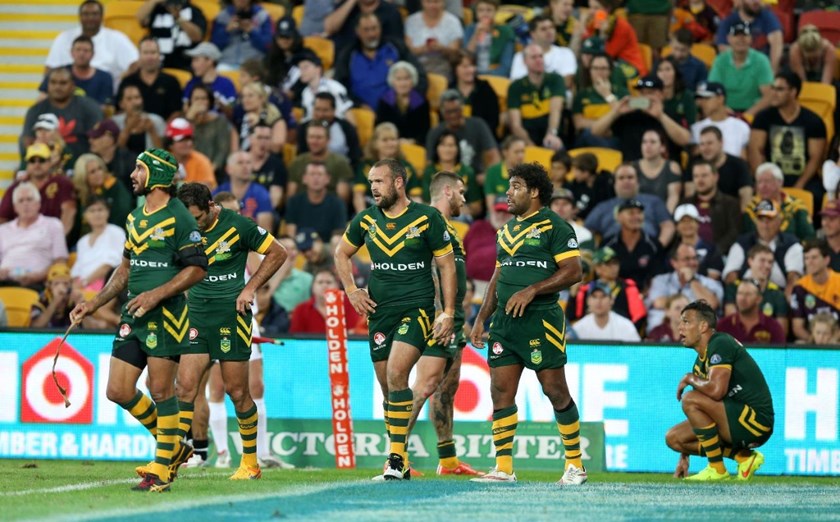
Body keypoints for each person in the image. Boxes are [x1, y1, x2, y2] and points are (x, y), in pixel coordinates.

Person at [69, 148, 208, 491]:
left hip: (166, 316)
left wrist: (157, 294)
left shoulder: (180, 218)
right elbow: (126, 268)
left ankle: (161, 471)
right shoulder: (135, 217)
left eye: (139, 168)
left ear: (158, 176)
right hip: (134, 313)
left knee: (161, 390)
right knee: (117, 390)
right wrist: (94, 301)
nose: (132, 174)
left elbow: (197, 268)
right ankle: (174, 445)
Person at [335, 158, 456, 480]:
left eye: (379, 181)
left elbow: (446, 265)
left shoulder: (427, 218)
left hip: (415, 309)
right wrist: (351, 290)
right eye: (371, 181)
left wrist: (447, 312)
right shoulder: (366, 220)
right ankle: (399, 458)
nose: (373, 188)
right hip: (379, 312)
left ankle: (396, 461)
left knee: (396, 372)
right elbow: (340, 253)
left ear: (399, 183)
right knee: (390, 391)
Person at [469, 162, 585, 485]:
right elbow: (497, 276)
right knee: (500, 391)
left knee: (555, 390)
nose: (508, 191)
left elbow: (575, 272)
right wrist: (481, 319)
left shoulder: (555, 227)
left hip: (540, 320)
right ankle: (504, 468)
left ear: (534, 192)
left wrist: (533, 289)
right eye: (509, 186)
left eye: (516, 186)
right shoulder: (504, 232)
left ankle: (575, 465)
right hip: (505, 324)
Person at [174, 181, 286, 479]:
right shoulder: (182, 226)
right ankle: (170, 458)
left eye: (197, 217)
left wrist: (250, 288)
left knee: (237, 391)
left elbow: (278, 252)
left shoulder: (238, 225)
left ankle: (249, 462)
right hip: (196, 317)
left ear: (211, 207)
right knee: (184, 388)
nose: (192, 224)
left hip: (230, 318)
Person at [402, 171, 482, 476]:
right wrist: (441, 314)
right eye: (461, 192)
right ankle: (395, 457)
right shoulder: (429, 222)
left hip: (453, 317)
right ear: (447, 191)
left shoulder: (451, 228)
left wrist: (455, 317)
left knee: (447, 390)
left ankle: (448, 462)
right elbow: (432, 272)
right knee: (424, 386)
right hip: (438, 318)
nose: (464, 198)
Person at [666, 300, 773, 481]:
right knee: (674, 438)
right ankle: (743, 457)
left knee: (689, 399)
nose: (680, 327)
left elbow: (717, 391)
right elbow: (699, 415)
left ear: (703, 326)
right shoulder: (699, 364)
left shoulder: (720, 342)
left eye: (686, 321)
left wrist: (688, 378)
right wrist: (684, 456)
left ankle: (717, 469)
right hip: (734, 421)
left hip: (756, 422)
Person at [748, 72, 827, 195]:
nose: (773, 93)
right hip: (771, 177)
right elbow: (755, 150)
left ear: (793, 92)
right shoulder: (762, 118)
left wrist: (799, 186)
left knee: (816, 195)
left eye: (779, 89)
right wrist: (763, 181)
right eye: (773, 88)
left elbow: (815, 159)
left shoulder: (813, 121)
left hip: (804, 179)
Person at [334, 13, 426, 111]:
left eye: (374, 28)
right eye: (366, 30)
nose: (371, 34)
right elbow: (339, 87)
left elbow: (420, 77)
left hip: (396, 112)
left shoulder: (397, 48)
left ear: (380, 28)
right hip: (362, 113)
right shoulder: (348, 55)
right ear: (357, 31)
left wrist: (408, 101)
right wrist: (358, 104)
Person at [590, 74, 691, 162]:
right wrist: (616, 112)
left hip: (664, 173)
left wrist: (661, 116)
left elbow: (684, 139)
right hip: (632, 173)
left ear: (661, 94)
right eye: (642, 93)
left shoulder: (671, 113)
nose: (645, 96)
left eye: (650, 92)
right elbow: (595, 131)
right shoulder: (630, 116)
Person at [45, 0, 138, 87]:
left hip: (105, 93)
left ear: (102, 17)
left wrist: (120, 84)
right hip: (69, 95)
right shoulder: (63, 38)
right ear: (80, 16)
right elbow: (50, 68)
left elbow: (136, 63)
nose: (90, 18)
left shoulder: (117, 38)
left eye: (94, 14)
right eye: (86, 14)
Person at [585, 163, 675, 248]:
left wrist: (658, 247)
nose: (626, 181)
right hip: (612, 256)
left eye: (630, 177)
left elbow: (668, 225)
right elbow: (586, 231)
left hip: (647, 251)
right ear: (614, 183)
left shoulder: (654, 202)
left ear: (638, 181)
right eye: (621, 178)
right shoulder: (602, 207)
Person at [21, 68, 103, 161]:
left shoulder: (89, 107)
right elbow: (26, 140)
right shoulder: (36, 110)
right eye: (53, 82)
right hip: (45, 165)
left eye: (63, 83)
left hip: (82, 165)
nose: (57, 87)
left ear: (72, 85)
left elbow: (99, 141)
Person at [723, 199, 803, 294]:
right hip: (746, 295)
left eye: (770, 220)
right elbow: (730, 276)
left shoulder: (791, 244)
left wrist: (784, 304)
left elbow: (793, 279)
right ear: (755, 221)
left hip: (778, 295)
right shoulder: (742, 243)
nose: (765, 225)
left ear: (780, 221)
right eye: (761, 220)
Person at [0, 182, 68, 289]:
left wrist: (40, 276)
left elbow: (60, 261)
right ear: (15, 207)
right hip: (4, 281)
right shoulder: (3, 230)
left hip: (38, 282)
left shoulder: (53, 225)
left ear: (38, 204)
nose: (25, 204)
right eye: (21, 201)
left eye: (29, 199)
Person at [0, 143, 77, 236]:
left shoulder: (62, 183)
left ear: (49, 162)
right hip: (21, 240)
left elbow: (69, 212)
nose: (37, 164)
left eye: (41, 160)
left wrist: (59, 238)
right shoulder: (15, 187)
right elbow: (3, 218)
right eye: (32, 161)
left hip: (52, 237)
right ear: (27, 164)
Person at [646, 244, 723, 331]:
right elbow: (658, 302)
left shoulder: (709, 283)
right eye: (686, 259)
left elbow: (711, 305)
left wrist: (692, 280)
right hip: (663, 336)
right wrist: (693, 304)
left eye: (694, 258)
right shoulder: (660, 280)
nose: (692, 263)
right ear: (674, 263)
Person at [425, 90, 501, 179]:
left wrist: (488, 177)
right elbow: (430, 164)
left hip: (475, 178)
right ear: (442, 113)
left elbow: (493, 156)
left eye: (456, 110)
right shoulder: (435, 133)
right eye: (449, 112)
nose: (453, 115)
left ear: (462, 108)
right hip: (446, 181)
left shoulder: (478, 125)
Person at [508, 44, 566, 151]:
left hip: (551, 134)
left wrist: (551, 134)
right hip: (527, 138)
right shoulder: (516, 87)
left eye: (541, 56)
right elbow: (516, 125)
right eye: (534, 57)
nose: (539, 60)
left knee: (557, 145)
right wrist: (531, 146)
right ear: (525, 61)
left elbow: (556, 111)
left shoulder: (555, 80)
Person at [707, 22, 773, 117]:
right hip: (725, 112)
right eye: (736, 36)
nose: (741, 39)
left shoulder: (761, 60)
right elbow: (713, 92)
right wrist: (727, 112)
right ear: (729, 39)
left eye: (745, 36)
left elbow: (768, 95)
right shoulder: (720, 60)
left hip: (754, 113)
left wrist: (747, 116)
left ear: (751, 39)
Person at [353, 122, 421, 213]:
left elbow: (415, 197)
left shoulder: (406, 168)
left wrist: (417, 217)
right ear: (375, 143)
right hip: (372, 215)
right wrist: (362, 218)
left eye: (393, 139)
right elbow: (358, 196)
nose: (390, 143)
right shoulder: (366, 166)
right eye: (385, 140)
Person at [601, 198, 667, 291]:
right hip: (613, 295)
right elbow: (601, 275)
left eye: (639, 213)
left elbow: (659, 277)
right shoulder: (608, 245)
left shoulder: (654, 245)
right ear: (619, 217)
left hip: (646, 298)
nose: (636, 217)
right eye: (631, 213)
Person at [722, 244, 789, 336]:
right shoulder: (734, 287)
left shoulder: (777, 293)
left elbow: (781, 331)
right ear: (750, 261)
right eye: (762, 261)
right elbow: (731, 322)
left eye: (770, 262)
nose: (767, 266)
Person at [742, 162, 815, 242]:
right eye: (759, 182)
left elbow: (809, 237)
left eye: (767, 181)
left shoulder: (796, 206)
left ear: (780, 182)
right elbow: (745, 238)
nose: (763, 186)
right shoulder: (751, 208)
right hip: (758, 251)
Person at [681, 159, 742, 254]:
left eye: (704, 175)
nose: (700, 180)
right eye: (696, 176)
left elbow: (733, 233)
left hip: (719, 255)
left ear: (716, 177)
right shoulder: (685, 204)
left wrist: (713, 253)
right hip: (688, 255)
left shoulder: (730, 203)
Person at [685, 126, 753, 209]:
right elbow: (689, 196)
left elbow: (746, 198)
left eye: (709, 143)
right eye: (702, 144)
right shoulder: (693, 163)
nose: (705, 148)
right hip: (701, 214)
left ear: (721, 142)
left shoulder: (738, 165)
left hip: (730, 214)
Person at [38, 35, 114, 109]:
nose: (81, 54)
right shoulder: (57, 74)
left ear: (93, 54)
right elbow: (41, 99)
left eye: (86, 51)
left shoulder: (105, 78)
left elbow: (105, 107)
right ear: (71, 52)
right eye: (78, 50)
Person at [287, 121, 354, 203]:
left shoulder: (340, 163)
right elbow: (291, 195)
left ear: (328, 140)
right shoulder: (298, 162)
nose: (314, 141)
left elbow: (343, 197)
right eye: (311, 137)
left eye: (319, 137)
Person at [70, 195, 126, 293]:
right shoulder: (82, 241)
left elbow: (110, 265)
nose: (97, 214)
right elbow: (77, 269)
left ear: (107, 212)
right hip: (82, 285)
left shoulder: (115, 232)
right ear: (85, 215)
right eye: (92, 210)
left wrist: (85, 283)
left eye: (100, 210)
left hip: (107, 283)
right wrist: (76, 287)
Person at [571, 53, 628, 148]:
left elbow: (623, 117)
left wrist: (607, 95)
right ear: (590, 71)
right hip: (589, 137)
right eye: (595, 68)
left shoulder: (621, 93)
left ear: (610, 71)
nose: (599, 72)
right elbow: (579, 123)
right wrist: (604, 126)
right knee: (588, 135)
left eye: (603, 68)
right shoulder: (582, 95)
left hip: (615, 137)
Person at [119, 37, 184, 121]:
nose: (150, 57)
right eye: (145, 53)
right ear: (139, 55)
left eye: (153, 52)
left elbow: (177, 112)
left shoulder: (171, 82)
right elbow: (120, 110)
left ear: (159, 55)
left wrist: (164, 130)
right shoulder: (127, 81)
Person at [421, 131, 482, 217]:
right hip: (435, 216)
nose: (447, 149)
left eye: (451, 145)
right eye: (443, 145)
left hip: (461, 215)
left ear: (458, 149)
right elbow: (426, 202)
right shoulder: (429, 172)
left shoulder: (468, 172)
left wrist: (459, 210)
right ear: (436, 148)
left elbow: (477, 207)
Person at [790, 240, 840, 343]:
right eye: (806, 258)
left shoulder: (838, 282)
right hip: (813, 341)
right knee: (799, 344)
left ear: (826, 260)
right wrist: (815, 342)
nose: (809, 262)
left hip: (837, 341)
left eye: (814, 257)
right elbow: (797, 327)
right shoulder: (800, 287)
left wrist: (833, 340)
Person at [297, 92, 362, 170]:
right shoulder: (304, 128)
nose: (320, 114)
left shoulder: (346, 128)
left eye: (325, 110)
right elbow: (301, 154)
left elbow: (355, 155)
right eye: (317, 109)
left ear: (334, 110)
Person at [285, 161, 348, 241]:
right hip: (299, 247)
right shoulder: (294, 202)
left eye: (320, 174)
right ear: (304, 178)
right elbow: (291, 234)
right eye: (312, 174)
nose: (316, 178)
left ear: (327, 179)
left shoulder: (337, 204)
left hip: (327, 248)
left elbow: (338, 237)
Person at [137, 0, 207, 71]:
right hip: (157, 62)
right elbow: (141, 19)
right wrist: (154, 1)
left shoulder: (193, 11)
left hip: (185, 63)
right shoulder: (156, 10)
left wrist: (178, 18)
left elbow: (197, 37)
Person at [714, 0, 782, 73]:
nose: (756, 1)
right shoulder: (728, 21)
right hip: (737, 72)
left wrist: (771, 74)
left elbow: (776, 43)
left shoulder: (767, 16)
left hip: (764, 70)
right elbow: (724, 49)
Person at [72, 153, 134, 232]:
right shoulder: (80, 194)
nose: (99, 173)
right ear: (83, 176)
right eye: (92, 172)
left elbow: (123, 213)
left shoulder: (114, 186)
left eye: (100, 168)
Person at [214, 151, 273, 232]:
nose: (245, 166)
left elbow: (266, 230)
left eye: (248, 163)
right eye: (240, 163)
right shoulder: (217, 193)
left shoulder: (261, 193)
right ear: (228, 169)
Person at [375, 61, 431, 145]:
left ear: (413, 80)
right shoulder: (384, 101)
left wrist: (413, 141)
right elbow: (379, 128)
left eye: (406, 78)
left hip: (415, 145)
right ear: (392, 81)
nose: (403, 83)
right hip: (389, 144)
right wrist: (395, 141)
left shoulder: (422, 102)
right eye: (399, 79)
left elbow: (425, 131)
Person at [510, 15, 577, 86]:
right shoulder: (520, 57)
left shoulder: (566, 53)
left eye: (551, 27)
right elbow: (518, 84)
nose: (549, 31)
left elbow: (567, 82)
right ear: (533, 34)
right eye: (543, 29)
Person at [404, 0, 464, 80]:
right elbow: (408, 51)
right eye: (428, 2)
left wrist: (442, 49)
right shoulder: (411, 21)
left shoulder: (453, 21)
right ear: (422, 2)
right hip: (417, 65)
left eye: (436, 2)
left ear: (443, 2)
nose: (432, 6)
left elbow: (455, 54)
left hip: (443, 65)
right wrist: (423, 49)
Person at [186, 84, 235, 177]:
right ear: (190, 101)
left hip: (213, 172)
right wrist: (190, 119)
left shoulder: (220, 121)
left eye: (204, 98)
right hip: (188, 171)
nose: (200, 102)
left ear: (210, 101)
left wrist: (208, 171)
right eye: (196, 98)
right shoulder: (184, 121)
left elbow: (222, 151)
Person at [290, 268, 360, 333]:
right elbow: (295, 338)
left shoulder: (350, 306)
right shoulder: (300, 310)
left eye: (328, 282)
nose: (324, 285)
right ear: (312, 287)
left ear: (337, 286)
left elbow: (354, 332)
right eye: (320, 282)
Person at [691, 83, 751, 159]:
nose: (702, 103)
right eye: (700, 99)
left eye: (707, 98)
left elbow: (744, 159)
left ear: (720, 98)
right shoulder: (696, 128)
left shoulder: (741, 126)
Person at [450, 50, 501, 139]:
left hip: (483, 138)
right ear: (455, 69)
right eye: (465, 67)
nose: (471, 70)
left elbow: (493, 120)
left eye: (472, 66)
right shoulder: (450, 91)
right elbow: (444, 121)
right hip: (455, 140)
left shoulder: (485, 89)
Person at [716, 278, 785, 344]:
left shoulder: (773, 327)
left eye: (748, 294)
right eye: (740, 293)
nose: (742, 298)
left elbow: (780, 354)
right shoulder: (723, 326)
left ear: (759, 299)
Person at [210, 0, 273, 69]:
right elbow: (214, 47)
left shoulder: (262, 15)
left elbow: (268, 46)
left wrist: (252, 31)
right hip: (226, 62)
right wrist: (227, 30)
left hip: (254, 64)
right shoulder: (223, 16)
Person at [670, 203, 724, 280]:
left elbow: (714, 276)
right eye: (683, 221)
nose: (687, 224)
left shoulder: (712, 249)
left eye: (690, 220)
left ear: (698, 223)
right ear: (676, 226)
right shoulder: (673, 251)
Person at [325, 0, 405, 52]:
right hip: (347, 61)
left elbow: (398, 45)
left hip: (381, 60)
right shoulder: (345, 7)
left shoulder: (390, 11)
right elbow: (330, 28)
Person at [573, 281, 641, 341]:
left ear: (611, 300)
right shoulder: (579, 328)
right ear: (588, 301)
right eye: (594, 296)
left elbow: (636, 352)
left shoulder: (626, 326)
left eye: (603, 296)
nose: (598, 301)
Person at [462, 0, 515, 77]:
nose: (485, 14)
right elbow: (466, 58)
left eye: (489, 10)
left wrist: (488, 77)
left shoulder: (506, 32)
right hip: (473, 75)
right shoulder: (470, 30)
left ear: (495, 12)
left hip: (496, 76)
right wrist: (476, 34)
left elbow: (506, 65)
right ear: (476, 13)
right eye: (481, 10)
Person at [634, 129, 682, 213]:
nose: (647, 146)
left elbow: (673, 198)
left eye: (652, 142)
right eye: (644, 142)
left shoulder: (672, 167)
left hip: (662, 216)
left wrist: (664, 220)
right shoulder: (632, 168)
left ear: (662, 147)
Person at [183, 43, 238, 116]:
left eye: (196, 60)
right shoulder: (191, 84)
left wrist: (216, 102)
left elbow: (233, 113)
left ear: (210, 61)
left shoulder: (226, 84)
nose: (192, 64)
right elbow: (185, 109)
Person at [165, 118, 218, 190]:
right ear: (170, 144)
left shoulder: (201, 160)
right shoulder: (164, 161)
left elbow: (209, 187)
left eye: (190, 139)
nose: (189, 143)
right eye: (182, 140)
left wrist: (179, 184)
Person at [112, 88, 166, 156]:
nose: (135, 102)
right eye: (129, 99)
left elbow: (163, 152)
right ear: (121, 104)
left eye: (137, 97)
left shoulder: (157, 120)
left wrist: (152, 131)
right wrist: (128, 128)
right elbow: (116, 153)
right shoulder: (115, 122)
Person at [564, 153, 614, 221]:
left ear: (586, 172)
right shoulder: (575, 184)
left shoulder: (605, 184)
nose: (574, 173)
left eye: (576, 170)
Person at [30, 262, 80, 329]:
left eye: (65, 284)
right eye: (56, 284)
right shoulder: (40, 301)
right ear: (49, 285)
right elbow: (35, 328)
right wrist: (55, 302)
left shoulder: (75, 301)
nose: (61, 288)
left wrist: (80, 306)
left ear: (71, 285)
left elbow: (92, 330)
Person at [483, 136, 526, 213]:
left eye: (522, 151)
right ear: (505, 152)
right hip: (498, 213)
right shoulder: (493, 172)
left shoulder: (528, 172)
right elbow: (490, 204)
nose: (521, 156)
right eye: (516, 152)